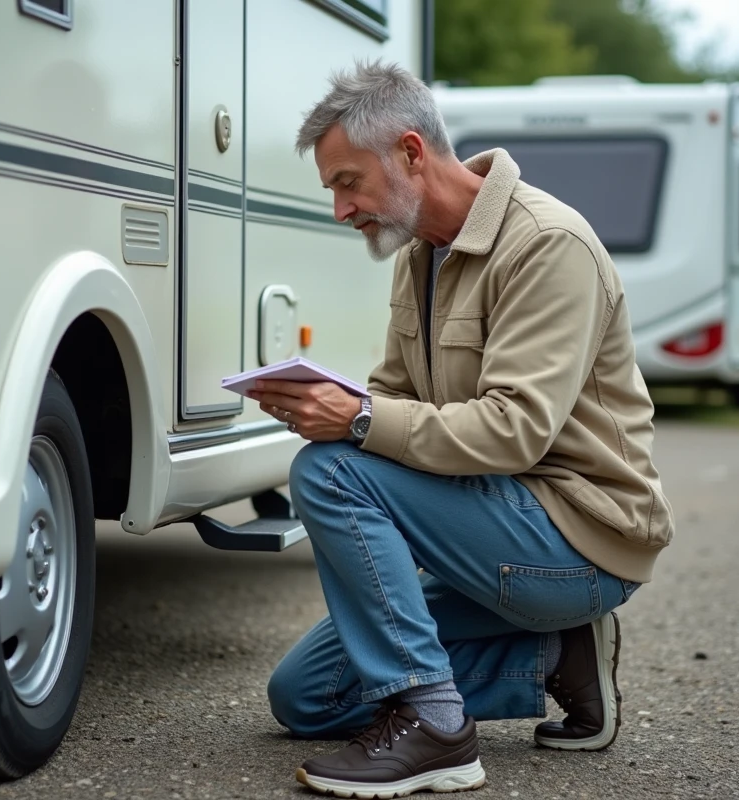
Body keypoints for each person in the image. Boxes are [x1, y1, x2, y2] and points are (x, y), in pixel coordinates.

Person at [249, 59, 675, 797]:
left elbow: (515, 432)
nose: (341, 211)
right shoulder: (420, 256)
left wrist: (355, 423)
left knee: (330, 471)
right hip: (491, 524)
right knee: (304, 699)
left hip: (578, 540)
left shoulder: (549, 244)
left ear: (412, 153)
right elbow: (390, 396)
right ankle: (554, 659)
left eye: (349, 183)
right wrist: (326, 410)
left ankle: (434, 725)